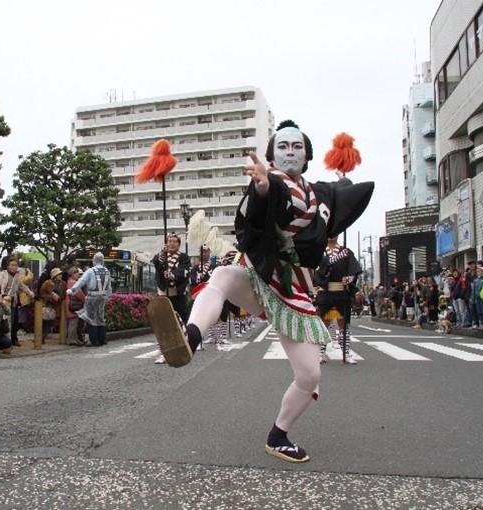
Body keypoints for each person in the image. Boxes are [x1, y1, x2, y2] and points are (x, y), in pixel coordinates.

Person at [152, 120, 373, 463]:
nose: (289, 152)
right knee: (224, 274)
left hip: (295, 292)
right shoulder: (269, 183)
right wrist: (263, 187)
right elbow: (262, 207)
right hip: (261, 275)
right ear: (271, 156)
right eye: (282, 147)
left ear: (307, 155)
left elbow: (348, 198)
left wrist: (347, 183)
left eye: (296, 146)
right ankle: (191, 337)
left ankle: (278, 435)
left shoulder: (320, 193)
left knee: (310, 374)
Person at [314, 237, 362, 364]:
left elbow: (355, 269)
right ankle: (320, 352)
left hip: (341, 292)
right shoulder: (320, 251)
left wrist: (350, 278)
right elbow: (321, 267)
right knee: (324, 324)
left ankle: (345, 353)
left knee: (343, 325)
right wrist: (338, 257)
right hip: (325, 292)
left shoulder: (346, 251)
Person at [151, 234, 191, 364]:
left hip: (177, 294)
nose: (172, 243)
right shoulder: (162, 256)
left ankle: (184, 346)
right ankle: (163, 352)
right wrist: (163, 253)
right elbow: (157, 264)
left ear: (179, 244)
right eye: (170, 241)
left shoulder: (184, 258)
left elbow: (184, 271)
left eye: (175, 241)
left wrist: (172, 274)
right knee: (162, 323)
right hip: (163, 292)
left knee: (180, 320)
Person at [66, 252, 112, 347]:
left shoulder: (91, 271)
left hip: (92, 296)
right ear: (102, 261)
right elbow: (109, 286)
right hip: (102, 296)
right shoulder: (107, 271)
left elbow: (82, 281)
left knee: (91, 318)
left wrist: (72, 290)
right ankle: (102, 339)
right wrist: (109, 296)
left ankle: (94, 340)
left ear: (94, 261)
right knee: (100, 317)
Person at [0, 255, 35, 346]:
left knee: (14, 323)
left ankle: (11, 340)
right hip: (3, 303)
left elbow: (23, 287)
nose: (14, 267)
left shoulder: (17, 277)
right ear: (7, 266)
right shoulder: (2, 275)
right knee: (3, 323)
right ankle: (3, 342)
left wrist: (32, 295)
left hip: (13, 303)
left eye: (16, 265)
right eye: (12, 265)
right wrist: (2, 295)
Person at [39, 268, 66, 343]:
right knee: (44, 322)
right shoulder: (47, 283)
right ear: (54, 275)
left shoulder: (63, 284)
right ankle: (40, 337)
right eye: (59, 274)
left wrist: (60, 298)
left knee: (50, 322)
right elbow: (42, 293)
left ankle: (42, 337)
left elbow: (64, 294)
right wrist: (51, 297)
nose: (60, 276)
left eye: (61, 274)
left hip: (57, 306)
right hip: (48, 305)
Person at [65, 267, 86, 346]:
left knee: (72, 322)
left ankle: (74, 339)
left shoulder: (69, 281)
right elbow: (79, 293)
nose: (78, 274)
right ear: (72, 274)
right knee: (73, 323)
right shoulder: (73, 282)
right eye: (76, 273)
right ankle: (72, 340)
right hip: (73, 304)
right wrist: (85, 300)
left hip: (70, 303)